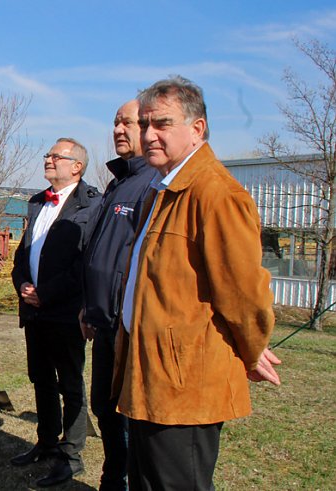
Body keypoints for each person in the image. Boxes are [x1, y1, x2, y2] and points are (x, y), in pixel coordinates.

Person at [116, 76, 281, 490]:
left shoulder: (216, 194)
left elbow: (243, 293)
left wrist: (252, 347)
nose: (148, 135)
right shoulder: (163, 188)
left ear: (197, 129)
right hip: (150, 374)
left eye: (162, 124)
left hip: (185, 382)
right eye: (145, 124)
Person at [10, 138, 101, 487]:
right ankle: (47, 441)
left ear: (76, 166)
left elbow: (85, 262)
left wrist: (45, 293)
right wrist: (22, 284)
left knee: (70, 383)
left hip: (66, 312)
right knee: (41, 379)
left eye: (55, 156)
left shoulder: (92, 205)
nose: (47, 159)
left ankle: (71, 455)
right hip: (34, 311)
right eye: (47, 154)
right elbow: (23, 252)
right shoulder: (36, 202)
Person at [80, 99, 157, 491]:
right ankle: (113, 480)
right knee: (105, 409)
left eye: (126, 122)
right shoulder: (117, 183)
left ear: (148, 128)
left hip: (127, 327)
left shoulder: (152, 184)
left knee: (125, 417)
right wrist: (88, 306)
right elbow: (101, 253)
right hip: (102, 321)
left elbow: (140, 261)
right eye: (114, 123)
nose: (118, 130)